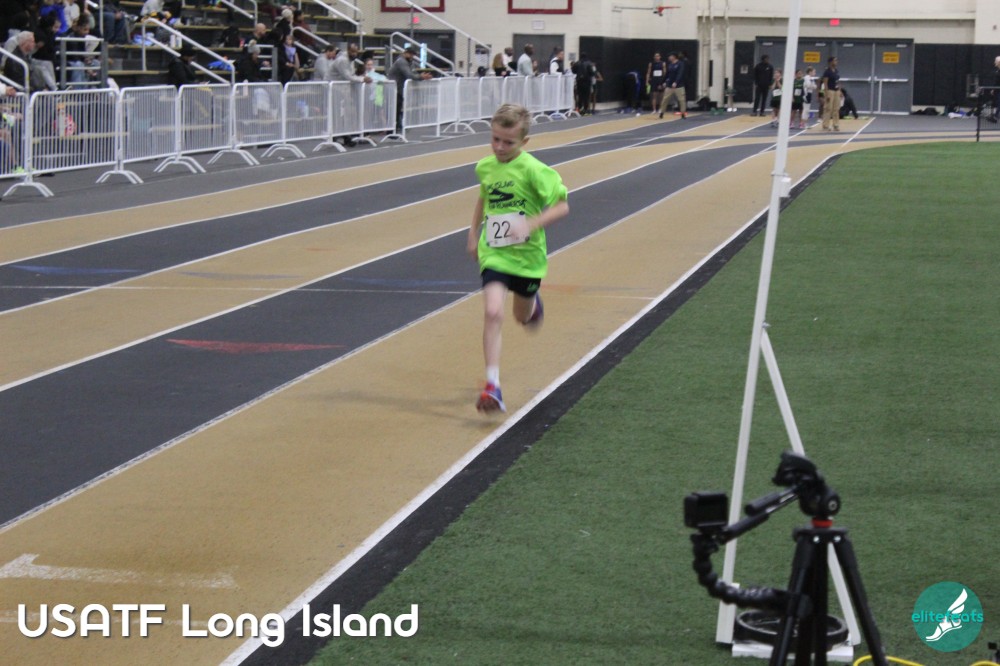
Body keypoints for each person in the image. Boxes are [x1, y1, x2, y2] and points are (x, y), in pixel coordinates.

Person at [466, 103, 569, 414]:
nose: (499, 147)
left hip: (527, 259)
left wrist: (530, 225)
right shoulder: (485, 167)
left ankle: (533, 306)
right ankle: (492, 386)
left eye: (508, 142)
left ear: (524, 142)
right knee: (492, 311)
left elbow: (562, 206)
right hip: (495, 253)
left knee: (520, 317)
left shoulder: (534, 170)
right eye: (495, 139)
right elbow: (484, 197)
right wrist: (472, 233)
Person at [387, 45, 431, 132]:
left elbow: (413, 72)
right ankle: (392, 129)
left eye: (413, 54)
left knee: (398, 108)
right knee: (395, 109)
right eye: (410, 54)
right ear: (405, 53)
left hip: (399, 88)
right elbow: (409, 74)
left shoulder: (410, 62)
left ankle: (396, 127)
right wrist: (421, 77)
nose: (412, 56)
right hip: (394, 88)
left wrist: (420, 76)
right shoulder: (401, 61)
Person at [658, 52, 686, 119]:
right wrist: (662, 82)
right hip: (669, 85)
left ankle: (683, 113)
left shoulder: (680, 64)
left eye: (670, 56)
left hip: (679, 85)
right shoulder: (670, 65)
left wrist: (676, 82)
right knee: (665, 99)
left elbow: (680, 73)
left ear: (674, 57)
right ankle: (661, 112)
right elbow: (667, 74)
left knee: (681, 100)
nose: (669, 58)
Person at [820, 55, 841, 131]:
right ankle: (825, 125)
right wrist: (826, 94)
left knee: (836, 108)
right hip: (830, 90)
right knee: (828, 108)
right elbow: (825, 83)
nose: (836, 62)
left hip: (836, 91)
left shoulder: (836, 71)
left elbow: (838, 81)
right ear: (831, 62)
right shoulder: (827, 72)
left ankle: (836, 124)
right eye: (835, 60)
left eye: (836, 60)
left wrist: (840, 90)